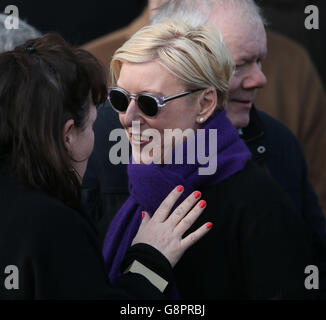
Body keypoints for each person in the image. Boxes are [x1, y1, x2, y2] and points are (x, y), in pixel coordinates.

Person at [93, 19, 314, 299]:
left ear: (205, 103)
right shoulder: (132, 185)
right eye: (121, 99)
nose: (128, 118)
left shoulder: (258, 203)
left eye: (150, 103)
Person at [0, 33, 212, 300]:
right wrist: (149, 261)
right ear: (68, 135)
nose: (128, 120)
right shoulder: (50, 226)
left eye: (148, 103)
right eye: (91, 124)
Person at [81, 0, 326, 218]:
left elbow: (312, 246)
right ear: (174, 57)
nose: (260, 79)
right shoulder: (94, 140)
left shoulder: (279, 141)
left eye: (260, 60)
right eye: (237, 65)